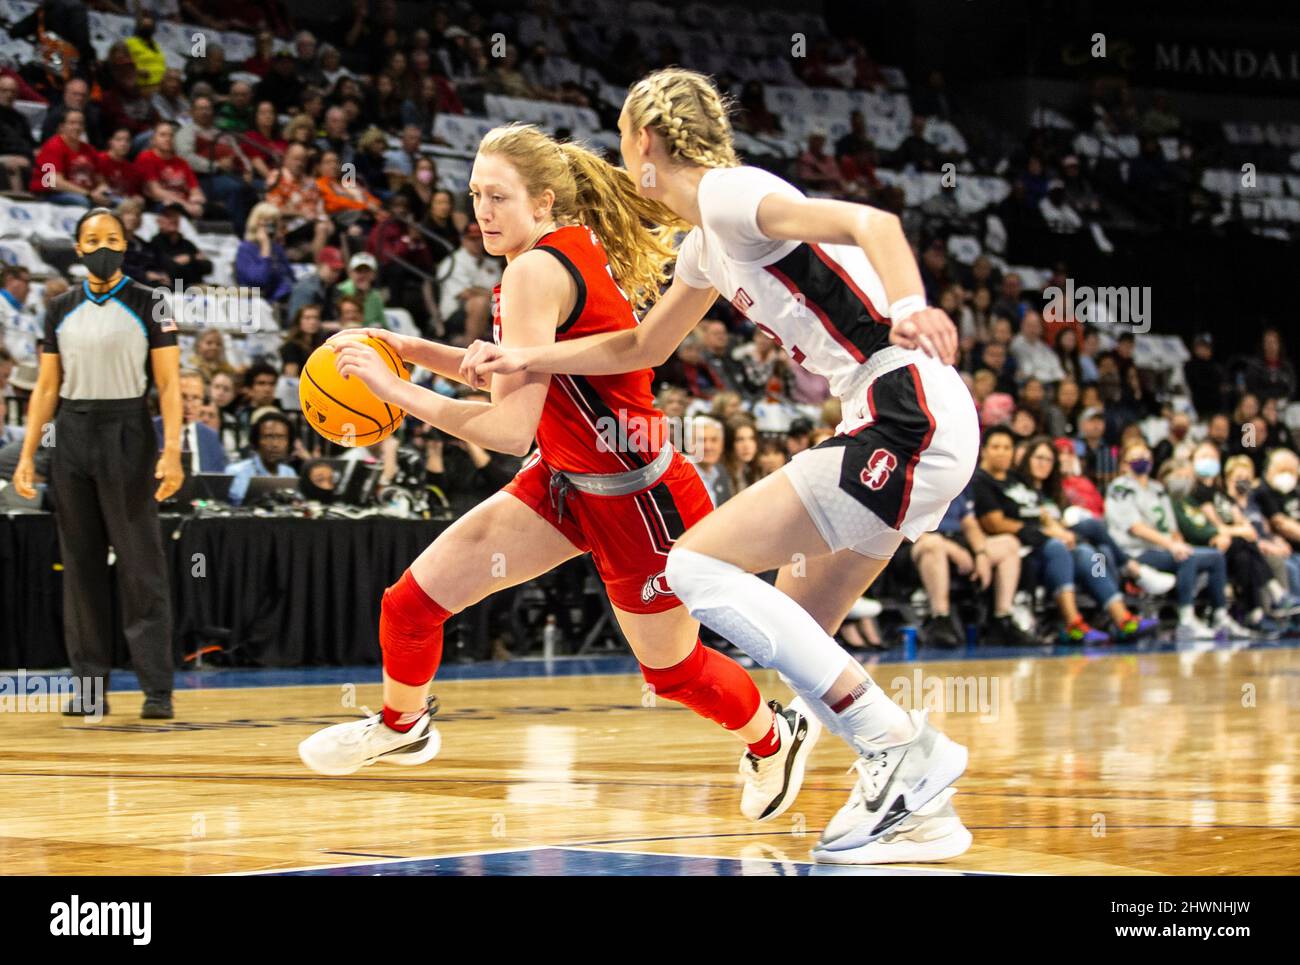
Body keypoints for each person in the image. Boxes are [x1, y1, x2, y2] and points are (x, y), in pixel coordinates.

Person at [459, 70, 975, 863]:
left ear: (644, 145)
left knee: (691, 566)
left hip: (906, 404)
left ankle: (902, 749)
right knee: (800, 628)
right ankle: (925, 816)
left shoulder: (734, 196)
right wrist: (529, 354)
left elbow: (873, 221)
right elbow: (642, 346)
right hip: (902, 419)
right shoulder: (705, 244)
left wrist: (910, 306)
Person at [298, 123, 819, 835]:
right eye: (476, 193)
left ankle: (773, 735)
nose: (482, 210)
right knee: (411, 603)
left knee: (673, 673)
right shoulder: (558, 251)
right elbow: (517, 374)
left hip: (640, 499)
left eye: (499, 197)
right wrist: (408, 349)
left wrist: (397, 391)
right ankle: (404, 723)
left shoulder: (533, 271)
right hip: (567, 479)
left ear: (542, 202)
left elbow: (509, 429)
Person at [11, 207, 182, 719]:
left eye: (112, 237)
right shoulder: (59, 306)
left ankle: (157, 690)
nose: (102, 244)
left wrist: (171, 450)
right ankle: (89, 690)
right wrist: (27, 454)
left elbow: (170, 385)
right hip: (73, 432)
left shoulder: (151, 303)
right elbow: (45, 387)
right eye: (92, 238)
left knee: (140, 563)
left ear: (125, 245)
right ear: (78, 248)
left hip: (128, 430)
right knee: (80, 566)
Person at [1105, 440, 1247, 640]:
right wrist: (1172, 546)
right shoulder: (1119, 488)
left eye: (1145, 456)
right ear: (1123, 464)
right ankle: (1186, 620)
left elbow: (1172, 527)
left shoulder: (1157, 488)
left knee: (1215, 557)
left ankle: (1220, 615)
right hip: (1136, 552)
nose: (1142, 461)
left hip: (1164, 548)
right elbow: (1135, 528)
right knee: (1186, 557)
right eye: (1136, 457)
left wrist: (1177, 541)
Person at [909, 482, 1033, 647]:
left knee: (1009, 544)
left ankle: (1002, 618)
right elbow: (897, 526)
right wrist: (950, 548)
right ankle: (940, 619)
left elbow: (969, 523)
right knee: (934, 545)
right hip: (917, 541)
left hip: (956, 539)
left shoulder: (957, 479)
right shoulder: (910, 478)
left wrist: (981, 553)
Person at [153, 369, 227, 473]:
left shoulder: (211, 438)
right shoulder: (150, 430)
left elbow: (217, 481)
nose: (189, 405)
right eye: (183, 397)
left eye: (196, 398)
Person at [227, 409, 298, 504]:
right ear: (256, 441)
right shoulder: (236, 472)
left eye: (281, 437)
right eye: (268, 436)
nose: (275, 444)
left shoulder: (289, 473)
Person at [147, 202, 211, 287]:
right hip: (175, 291)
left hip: (196, 288)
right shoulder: (155, 244)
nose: (173, 219)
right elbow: (173, 270)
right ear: (158, 220)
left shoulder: (187, 244)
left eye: (176, 215)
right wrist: (195, 259)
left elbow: (208, 267)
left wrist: (189, 258)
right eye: (168, 216)